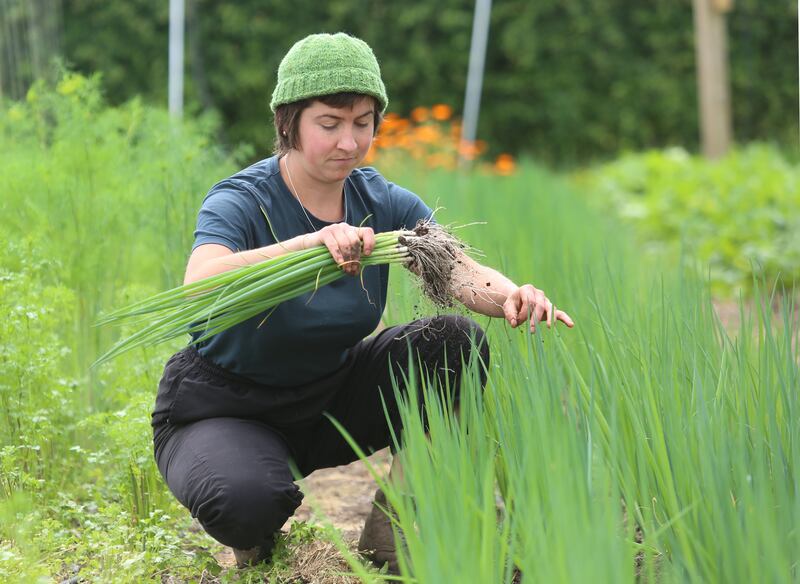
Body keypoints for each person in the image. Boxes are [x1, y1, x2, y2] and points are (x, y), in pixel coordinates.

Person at [151, 32, 574, 574]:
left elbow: (459, 269)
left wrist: (512, 294)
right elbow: (200, 283)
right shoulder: (243, 198)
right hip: (227, 406)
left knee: (451, 343)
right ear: (290, 121)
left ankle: (391, 531)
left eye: (363, 123)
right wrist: (308, 243)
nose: (348, 142)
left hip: (329, 396)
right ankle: (257, 547)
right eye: (330, 123)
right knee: (246, 504)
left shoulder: (380, 200)